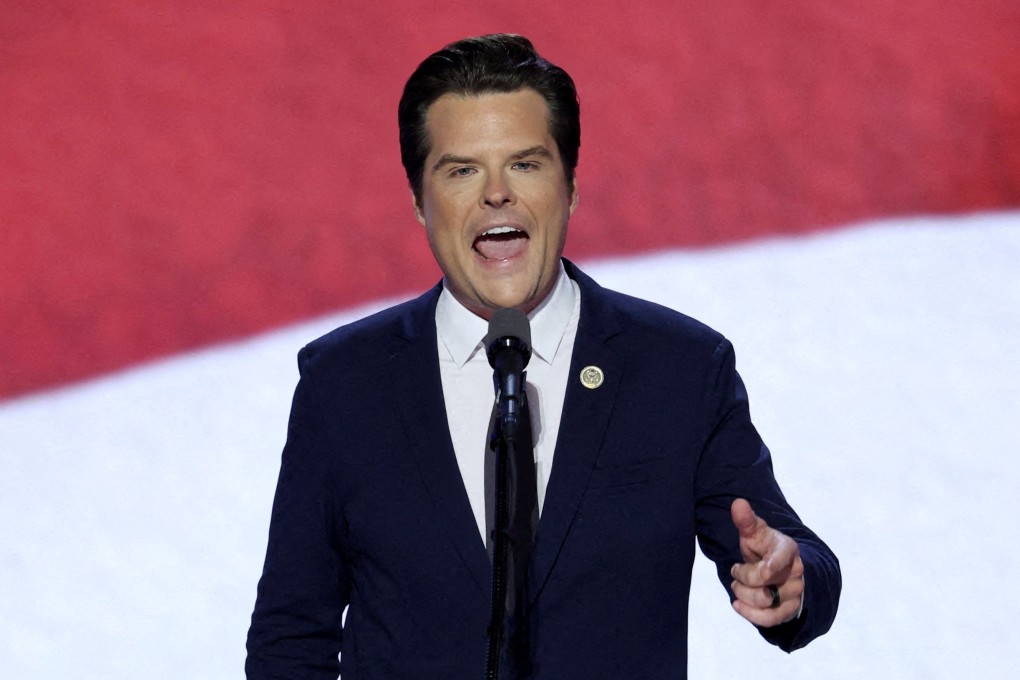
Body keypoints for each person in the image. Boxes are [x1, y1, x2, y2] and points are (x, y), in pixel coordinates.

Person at [245, 33, 840, 679]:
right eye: (462, 170)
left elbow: (787, 556)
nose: (496, 193)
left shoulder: (679, 370)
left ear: (571, 186)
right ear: (419, 200)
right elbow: (290, 636)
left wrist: (788, 582)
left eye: (526, 164)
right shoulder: (345, 382)